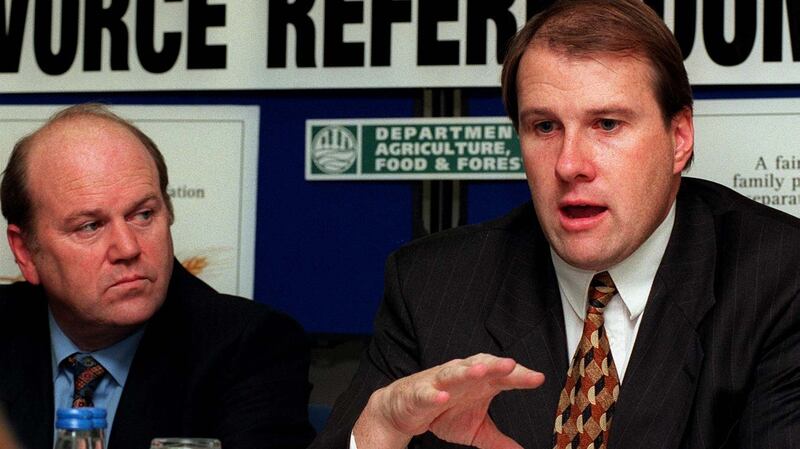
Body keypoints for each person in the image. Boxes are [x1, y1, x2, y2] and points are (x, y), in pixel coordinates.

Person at [310, 1, 800, 448]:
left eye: (607, 124)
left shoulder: (779, 279)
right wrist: (380, 429)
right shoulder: (431, 286)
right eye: (544, 127)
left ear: (678, 138)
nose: (569, 164)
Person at [0, 104, 315, 449]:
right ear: (25, 252)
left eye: (143, 214)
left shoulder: (252, 349)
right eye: (90, 226)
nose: (127, 247)